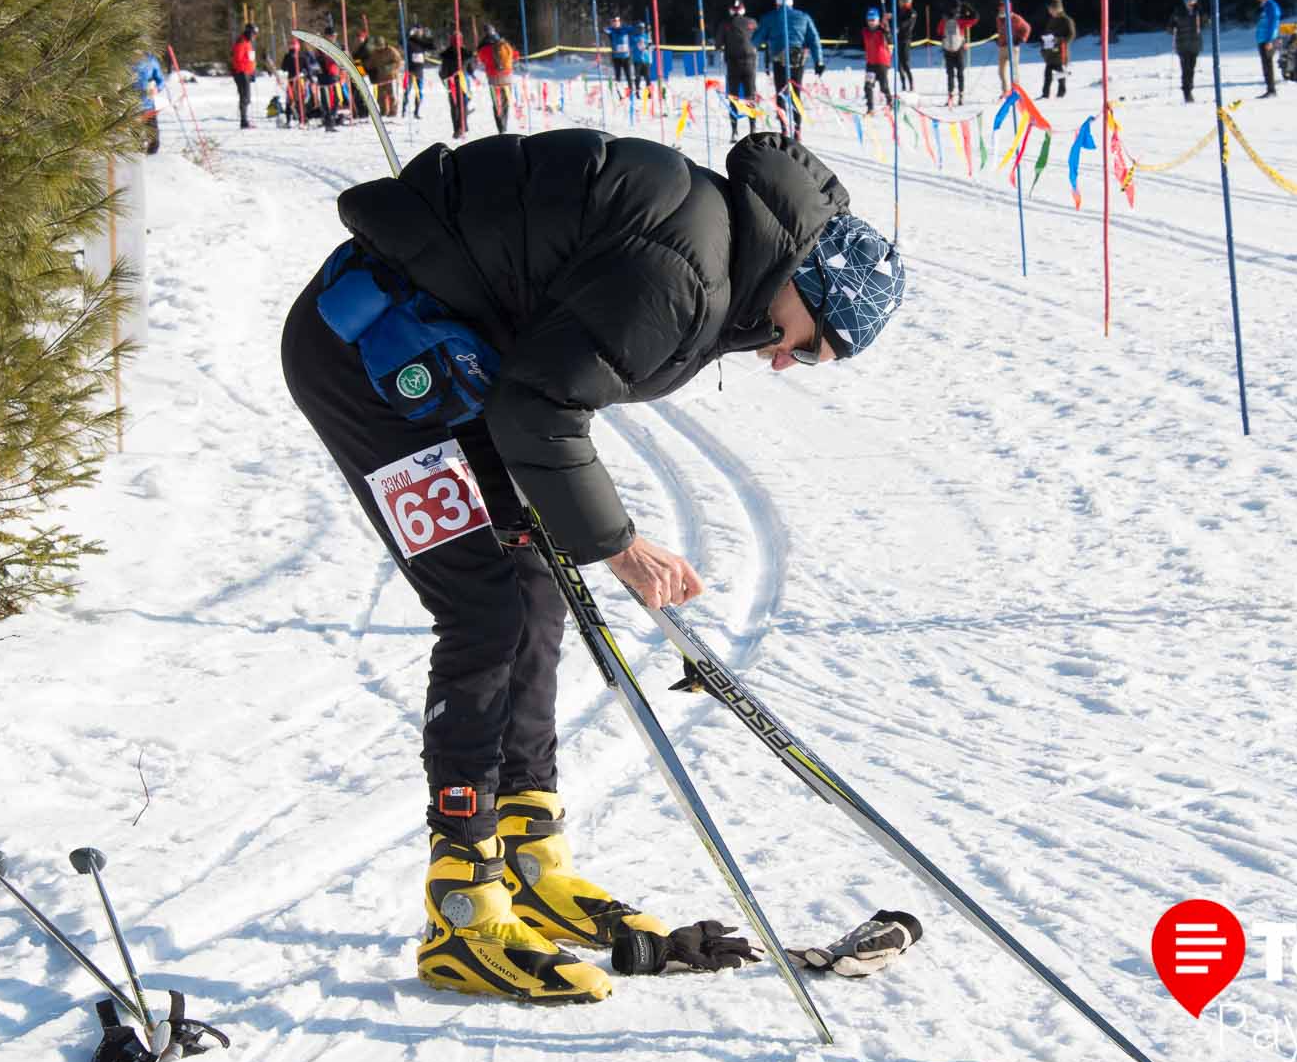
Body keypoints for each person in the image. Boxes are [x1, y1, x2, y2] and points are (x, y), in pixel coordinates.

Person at [280, 130, 906, 1002]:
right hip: (371, 362)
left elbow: (548, 376)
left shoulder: (727, 260)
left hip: (454, 363)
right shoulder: (690, 273)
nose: (782, 357)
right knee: (485, 605)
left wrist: (586, 533)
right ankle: (461, 901)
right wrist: (620, 545)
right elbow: (542, 407)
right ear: (808, 282)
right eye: (807, 343)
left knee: (534, 583)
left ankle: (529, 853)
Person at [756, 0, 823, 135]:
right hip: (798, 60)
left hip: (779, 61)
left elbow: (756, 40)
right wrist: (819, 61)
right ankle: (797, 128)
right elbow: (814, 39)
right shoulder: (803, 17)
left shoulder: (769, 18)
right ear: (791, 3)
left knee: (781, 94)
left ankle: (784, 128)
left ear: (777, 3)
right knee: (795, 95)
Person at [719, 0, 759, 138]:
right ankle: (752, 128)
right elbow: (758, 39)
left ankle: (734, 131)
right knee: (750, 97)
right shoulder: (752, 22)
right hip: (750, 64)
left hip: (733, 64)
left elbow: (718, 44)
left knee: (734, 98)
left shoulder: (725, 24)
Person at [476, 24, 518, 133]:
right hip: (507, 77)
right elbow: (514, 55)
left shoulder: (483, 46)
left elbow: (481, 60)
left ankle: (500, 128)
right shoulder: (504, 43)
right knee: (505, 102)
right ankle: (505, 125)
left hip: (493, 79)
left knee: (496, 103)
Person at [938, 0, 979, 107]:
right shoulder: (961, 21)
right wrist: (968, 6)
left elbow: (939, 32)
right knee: (960, 74)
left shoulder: (944, 21)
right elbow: (975, 18)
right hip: (959, 49)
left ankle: (950, 97)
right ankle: (961, 97)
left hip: (947, 50)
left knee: (950, 74)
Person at [438, 30, 476, 139]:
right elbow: (470, 70)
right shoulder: (462, 54)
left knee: (456, 106)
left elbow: (443, 72)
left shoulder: (460, 54)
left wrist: (444, 80)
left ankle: (458, 128)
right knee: (461, 106)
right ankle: (461, 127)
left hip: (454, 84)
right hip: (459, 83)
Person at [1170, 0, 1204, 103]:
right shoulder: (1178, 12)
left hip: (1194, 45)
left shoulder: (1198, 11)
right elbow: (1170, 27)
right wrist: (1172, 26)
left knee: (1192, 68)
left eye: (1193, 0)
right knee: (1185, 69)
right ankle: (1187, 92)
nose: (1191, 2)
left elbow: (1205, 24)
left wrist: (1205, 20)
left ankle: (1190, 89)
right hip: (1182, 45)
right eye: (1189, 0)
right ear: (1185, 1)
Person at [1038, 0, 1076, 100]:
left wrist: (1059, 40)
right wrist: (1044, 42)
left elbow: (1071, 35)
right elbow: (1047, 33)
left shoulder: (1067, 20)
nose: (1050, 11)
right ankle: (1045, 95)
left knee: (1060, 74)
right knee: (1047, 74)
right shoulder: (1051, 20)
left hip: (1061, 53)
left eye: (1051, 9)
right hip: (1050, 53)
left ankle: (1061, 95)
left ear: (1057, 8)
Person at [860, 6, 893, 114]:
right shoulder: (865, 31)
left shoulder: (882, 30)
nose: (871, 22)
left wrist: (886, 27)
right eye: (869, 20)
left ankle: (890, 101)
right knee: (868, 86)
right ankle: (870, 108)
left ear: (877, 20)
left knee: (883, 87)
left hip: (882, 63)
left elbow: (889, 38)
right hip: (871, 64)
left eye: (873, 20)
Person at [993, 1, 1031, 95]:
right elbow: (1001, 31)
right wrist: (999, 39)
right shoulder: (998, 18)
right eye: (1000, 7)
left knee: (1014, 70)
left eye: (1003, 7)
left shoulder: (1015, 18)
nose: (1000, 9)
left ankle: (1016, 91)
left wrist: (1021, 39)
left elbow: (1027, 27)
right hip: (1002, 47)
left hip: (1013, 47)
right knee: (1001, 71)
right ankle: (1005, 91)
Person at [132, 49, 165, 154]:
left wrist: (157, 88)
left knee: (154, 141)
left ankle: (152, 164)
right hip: (131, 107)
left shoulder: (150, 59)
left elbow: (160, 80)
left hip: (149, 106)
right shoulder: (124, 59)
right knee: (135, 141)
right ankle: (137, 165)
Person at [366, 32, 406, 118]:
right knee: (380, 96)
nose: (379, 47)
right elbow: (370, 63)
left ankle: (393, 111)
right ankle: (384, 111)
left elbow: (398, 62)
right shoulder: (375, 53)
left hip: (391, 77)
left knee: (392, 95)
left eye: (380, 45)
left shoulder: (391, 51)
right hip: (380, 78)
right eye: (377, 46)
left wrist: (389, 67)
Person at [405, 18, 436, 119]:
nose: (419, 32)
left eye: (421, 31)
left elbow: (432, 47)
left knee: (419, 93)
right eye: (417, 31)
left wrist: (429, 36)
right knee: (407, 91)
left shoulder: (422, 42)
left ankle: (416, 112)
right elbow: (403, 42)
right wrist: (408, 32)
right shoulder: (409, 41)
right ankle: (403, 110)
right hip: (409, 71)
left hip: (419, 71)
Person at [1255, 0, 1282, 97]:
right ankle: (1269, 89)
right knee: (1265, 64)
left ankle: (1271, 90)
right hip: (1263, 39)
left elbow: (1273, 23)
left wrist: (1270, 40)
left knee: (1268, 64)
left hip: (1268, 40)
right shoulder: (1264, 6)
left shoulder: (1271, 6)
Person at [231, 23, 258, 129]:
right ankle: (244, 121)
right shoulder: (241, 42)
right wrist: (246, 71)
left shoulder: (248, 42)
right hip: (241, 72)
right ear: (249, 33)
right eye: (253, 34)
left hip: (246, 72)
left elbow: (249, 58)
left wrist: (252, 71)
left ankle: (245, 119)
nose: (254, 36)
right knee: (244, 97)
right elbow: (238, 59)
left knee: (247, 97)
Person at [604, 14, 636, 95]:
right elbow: (605, 30)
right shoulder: (611, 31)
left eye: (617, 21)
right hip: (616, 58)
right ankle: (619, 93)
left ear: (620, 22)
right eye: (614, 21)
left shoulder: (625, 29)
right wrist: (609, 29)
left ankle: (630, 92)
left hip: (626, 57)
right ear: (612, 23)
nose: (616, 23)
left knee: (628, 76)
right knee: (618, 77)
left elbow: (633, 29)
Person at [894, 0, 916, 91]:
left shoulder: (912, 12)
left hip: (906, 39)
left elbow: (907, 23)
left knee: (905, 63)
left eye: (902, 2)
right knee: (899, 65)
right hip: (898, 39)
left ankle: (911, 85)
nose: (900, 4)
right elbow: (896, 20)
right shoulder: (900, 12)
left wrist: (899, 27)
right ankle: (903, 85)